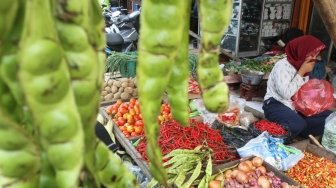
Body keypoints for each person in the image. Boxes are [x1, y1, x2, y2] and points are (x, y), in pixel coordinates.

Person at [262, 35, 332, 138]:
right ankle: (281, 135)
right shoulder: (282, 66)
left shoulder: (303, 65)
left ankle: (299, 130)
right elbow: (286, 94)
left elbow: (305, 92)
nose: (314, 59)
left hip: (296, 107)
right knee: (297, 124)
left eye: (316, 55)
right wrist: (301, 72)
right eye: (311, 55)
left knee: (328, 117)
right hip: (276, 103)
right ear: (301, 51)